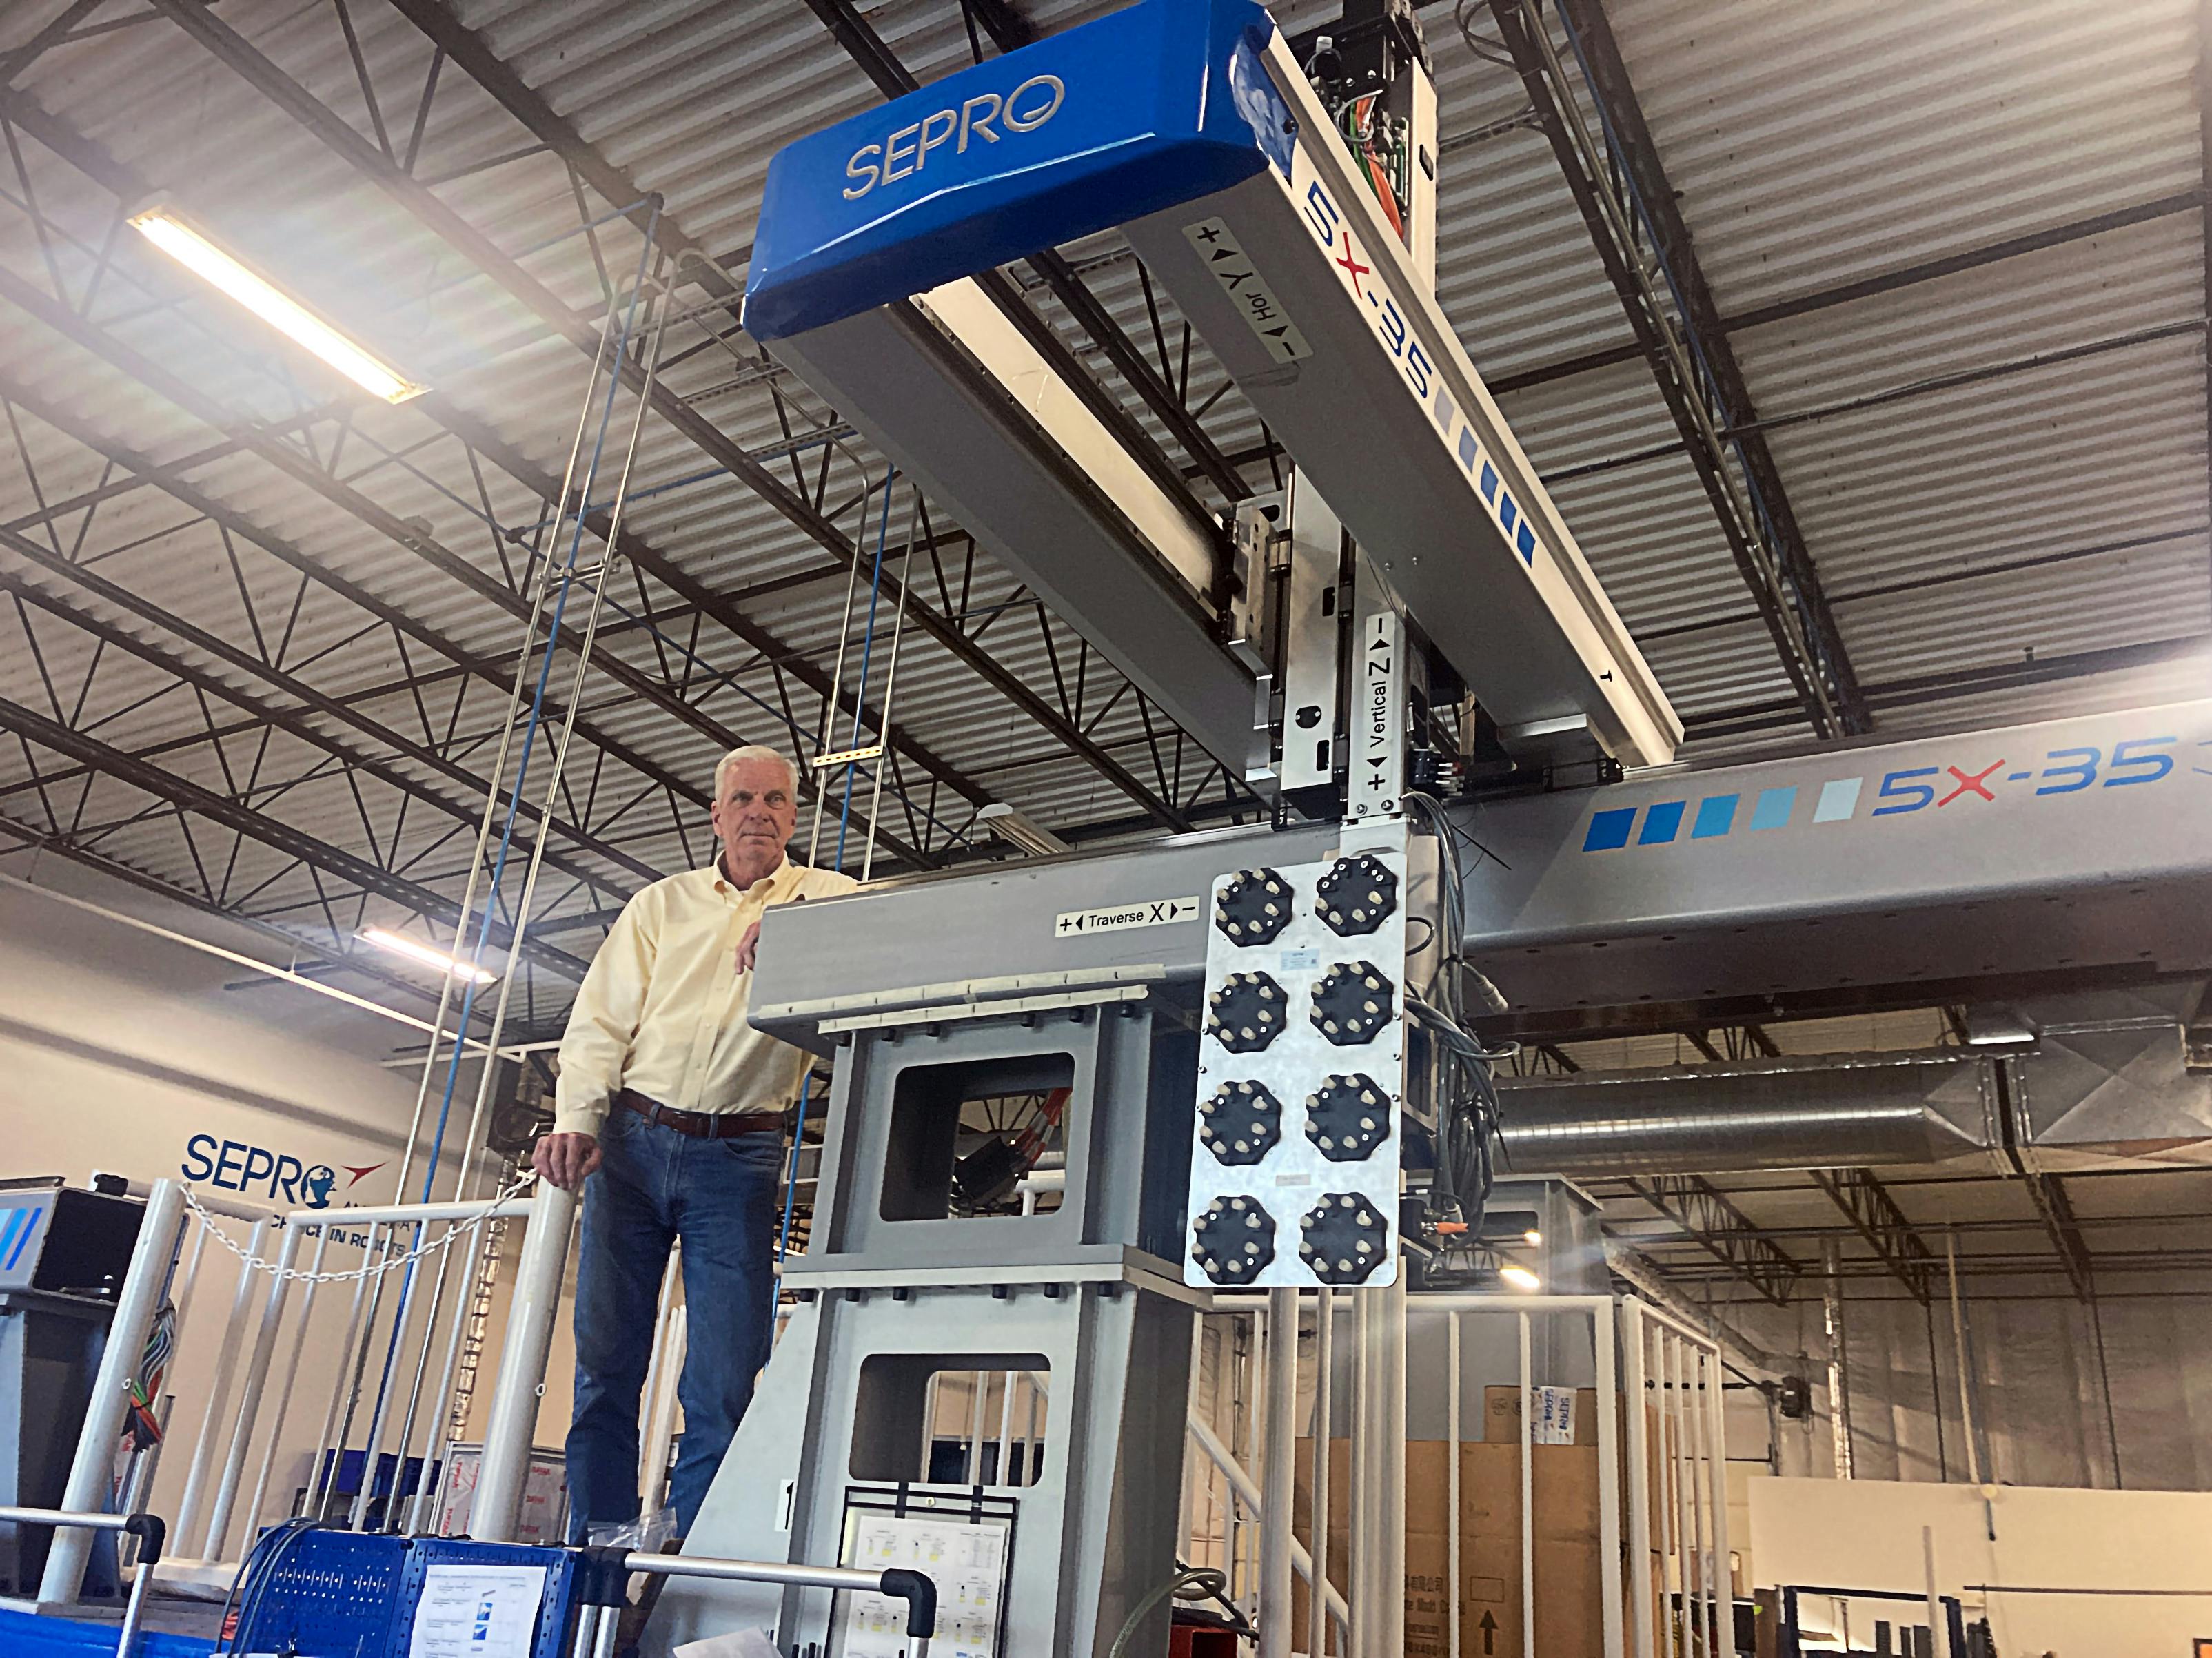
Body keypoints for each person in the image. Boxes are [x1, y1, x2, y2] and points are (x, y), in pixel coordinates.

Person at [536, 744, 855, 1543]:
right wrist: (576, 1114)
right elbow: (601, 1019)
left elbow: (902, 944)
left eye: (776, 800)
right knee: (607, 1356)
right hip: (632, 1144)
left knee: (721, 1374)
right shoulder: (660, 907)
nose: (759, 812)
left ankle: (694, 1547)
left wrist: (805, 942)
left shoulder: (830, 901)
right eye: (743, 799)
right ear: (715, 815)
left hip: (740, 1158)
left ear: (793, 815)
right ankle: (600, 1535)